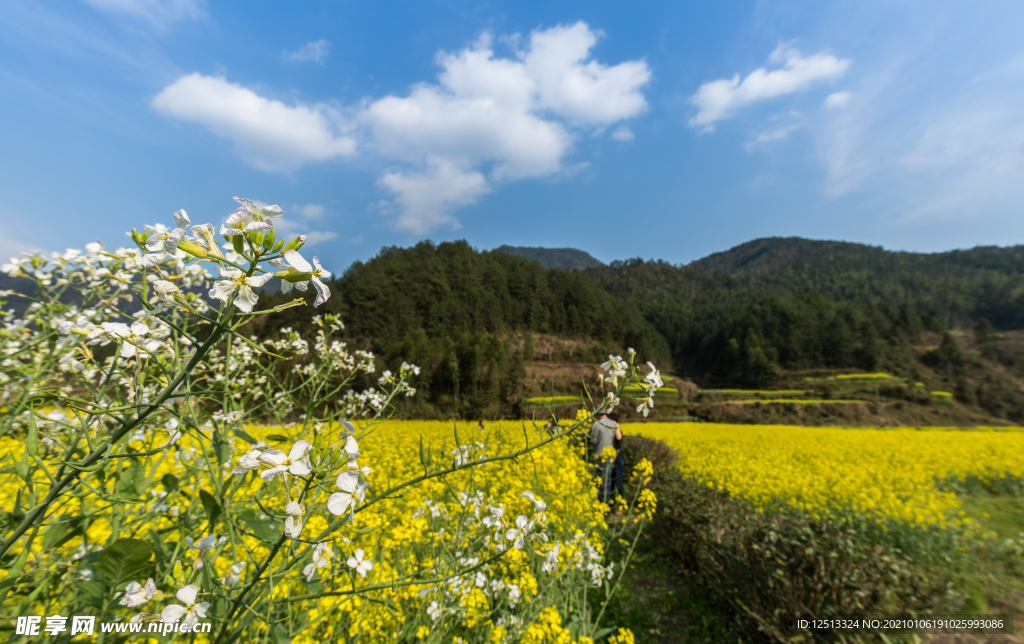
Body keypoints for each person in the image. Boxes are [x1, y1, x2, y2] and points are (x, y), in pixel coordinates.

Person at [589, 411, 622, 505]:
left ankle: (603, 504)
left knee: (601, 481)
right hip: (611, 455)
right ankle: (607, 505)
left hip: (600, 455)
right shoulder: (612, 423)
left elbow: (593, 440)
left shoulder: (597, 424)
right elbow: (618, 438)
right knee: (607, 480)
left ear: (598, 414)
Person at [608, 413, 626, 505]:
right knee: (610, 483)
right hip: (609, 459)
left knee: (619, 482)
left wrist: (616, 426)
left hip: (618, 459)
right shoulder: (608, 431)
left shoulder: (618, 431)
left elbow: (619, 437)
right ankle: (611, 504)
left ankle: (621, 505)